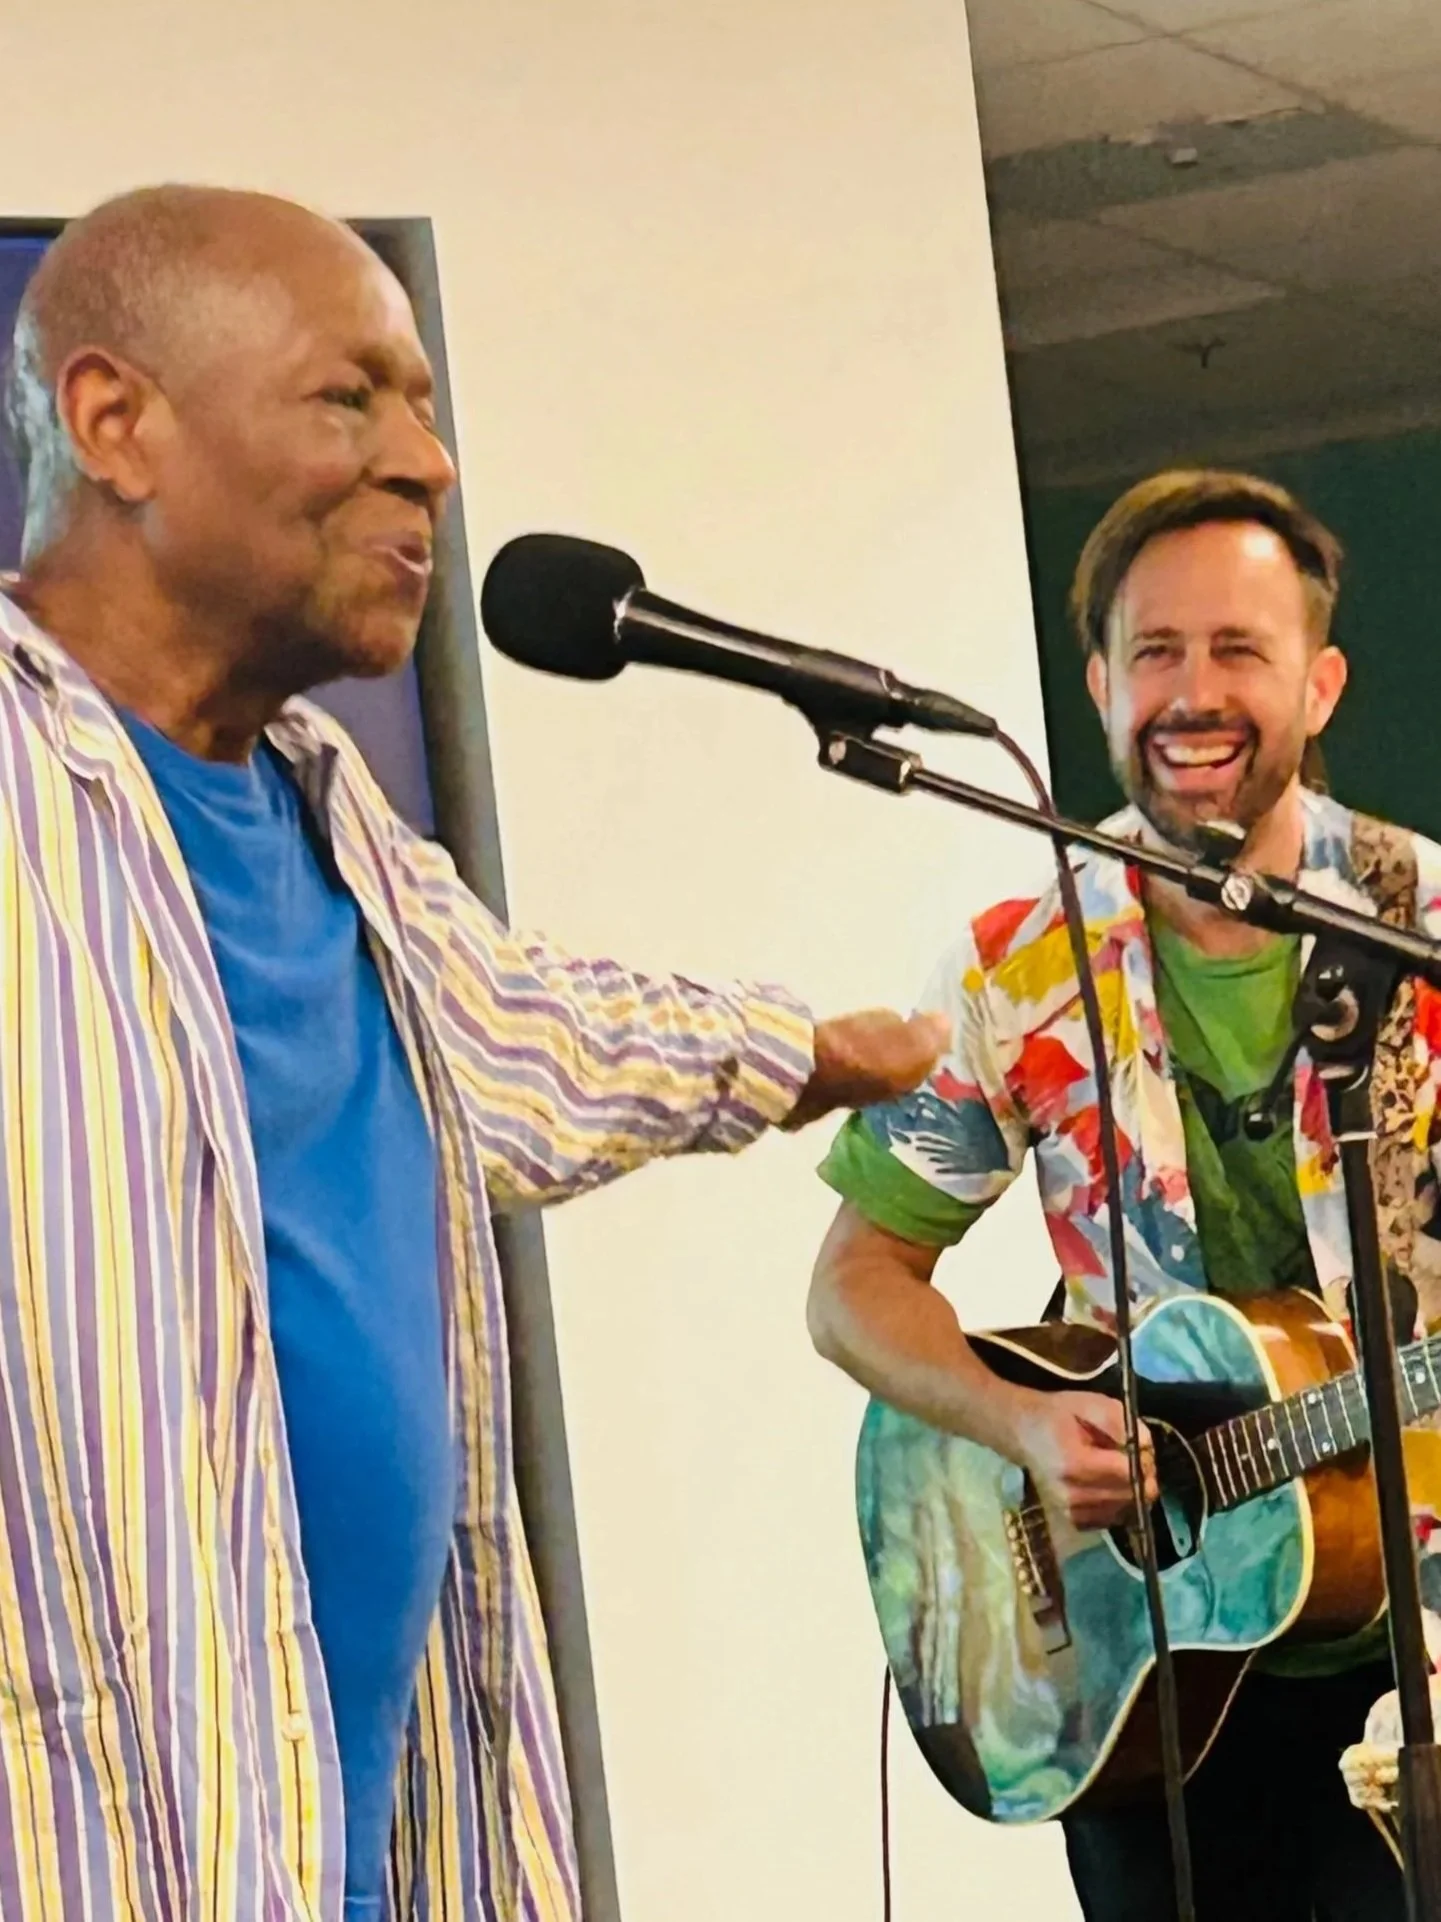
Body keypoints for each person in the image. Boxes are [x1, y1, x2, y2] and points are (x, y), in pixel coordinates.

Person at [0, 184, 949, 1922]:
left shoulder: (327, 811)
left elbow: (523, 1040)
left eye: (426, 407)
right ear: (116, 421)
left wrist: (801, 1050)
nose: (429, 466)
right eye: (350, 398)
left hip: (357, 1850)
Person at [807, 468, 1441, 1921]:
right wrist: (1025, 1423)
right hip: (1143, 1668)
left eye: (1239, 650)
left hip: (1418, 1647)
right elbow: (852, 1288)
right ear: (1099, 686)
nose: (1194, 693)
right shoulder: (1021, 964)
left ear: (1321, 684)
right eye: (1156, 652)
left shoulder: (1426, 934)